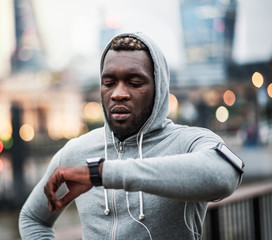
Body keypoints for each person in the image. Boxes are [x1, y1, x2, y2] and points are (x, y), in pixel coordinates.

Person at [19, 32, 243, 240]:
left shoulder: (188, 142)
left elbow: (225, 176)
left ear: (159, 88)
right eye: (109, 83)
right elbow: (32, 219)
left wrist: (102, 174)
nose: (118, 94)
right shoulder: (76, 152)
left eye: (135, 83)